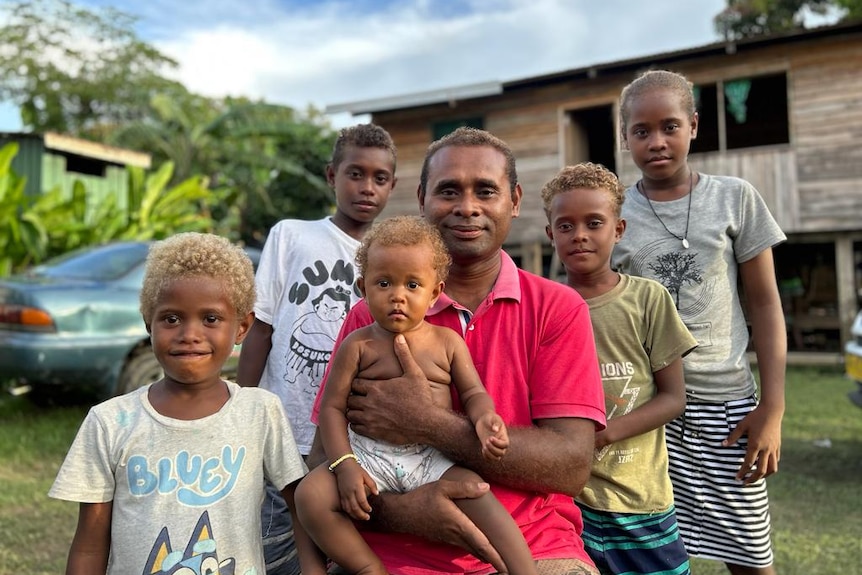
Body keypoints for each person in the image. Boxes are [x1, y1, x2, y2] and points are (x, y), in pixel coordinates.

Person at [309, 127, 607, 575]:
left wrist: (428, 423)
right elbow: (323, 454)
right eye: (449, 190)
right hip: (392, 553)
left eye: (486, 190)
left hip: (536, 549)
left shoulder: (557, 309)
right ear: (423, 199)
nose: (467, 207)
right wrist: (403, 512)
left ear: (515, 200)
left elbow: (569, 467)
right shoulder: (368, 321)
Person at [48, 232, 308, 575]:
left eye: (211, 319)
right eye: (171, 319)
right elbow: (90, 543)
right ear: (148, 323)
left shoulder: (260, 412)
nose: (190, 334)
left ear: (242, 327)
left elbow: (303, 509)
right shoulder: (109, 421)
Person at [611, 69, 787, 575]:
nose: (656, 141)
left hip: (727, 409)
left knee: (751, 555)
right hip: (647, 412)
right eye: (641, 131)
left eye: (669, 126)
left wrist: (771, 409)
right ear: (625, 139)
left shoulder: (734, 197)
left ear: (693, 125)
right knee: (656, 556)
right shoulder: (615, 211)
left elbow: (765, 305)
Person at [294, 215, 537, 575]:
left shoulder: (447, 343)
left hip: (429, 456)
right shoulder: (356, 345)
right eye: (384, 283)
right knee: (308, 496)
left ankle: (524, 571)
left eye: (412, 285)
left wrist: (486, 419)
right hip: (367, 456)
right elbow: (332, 408)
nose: (398, 296)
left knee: (478, 494)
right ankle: (366, 568)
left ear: (435, 292)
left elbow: (473, 393)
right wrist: (345, 465)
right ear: (363, 287)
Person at [237, 123, 397, 575]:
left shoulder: (391, 257)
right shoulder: (292, 236)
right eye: (355, 174)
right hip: (284, 427)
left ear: (393, 186)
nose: (367, 187)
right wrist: (242, 409)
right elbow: (262, 328)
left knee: (345, 546)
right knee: (276, 548)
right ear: (331, 175)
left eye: (379, 178)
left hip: (351, 441)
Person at [541, 162, 697, 575]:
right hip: (569, 501)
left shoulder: (648, 300)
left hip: (638, 498)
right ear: (549, 234)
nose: (580, 236)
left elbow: (673, 398)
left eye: (594, 223)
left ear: (619, 229)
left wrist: (603, 435)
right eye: (565, 226)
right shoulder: (543, 307)